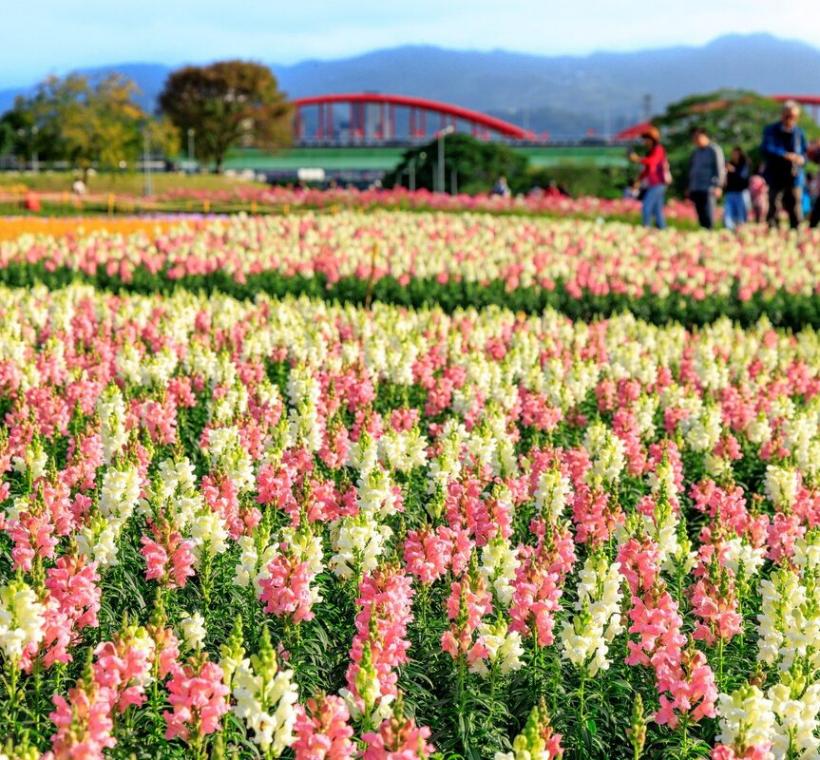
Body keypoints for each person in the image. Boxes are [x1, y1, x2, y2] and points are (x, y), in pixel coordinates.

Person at [761, 100, 808, 229]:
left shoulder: (799, 133)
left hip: (794, 175)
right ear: (782, 115)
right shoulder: (771, 130)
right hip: (776, 174)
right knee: (774, 203)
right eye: (788, 116)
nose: (791, 119)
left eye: (794, 117)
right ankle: (773, 230)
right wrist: (784, 155)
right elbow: (766, 148)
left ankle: (796, 230)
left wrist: (801, 159)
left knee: (795, 204)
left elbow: (805, 153)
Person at [628, 126, 668, 229]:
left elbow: (652, 162)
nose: (644, 142)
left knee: (647, 206)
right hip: (652, 183)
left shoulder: (658, 149)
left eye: (646, 139)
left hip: (658, 183)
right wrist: (638, 180)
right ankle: (662, 229)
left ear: (652, 140)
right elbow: (646, 170)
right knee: (657, 210)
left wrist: (638, 159)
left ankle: (646, 227)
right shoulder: (650, 152)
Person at [687, 127, 725, 229]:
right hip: (696, 187)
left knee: (708, 213)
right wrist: (689, 187)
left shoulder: (714, 150)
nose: (696, 140)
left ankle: (710, 232)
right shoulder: (696, 152)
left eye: (698, 137)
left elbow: (720, 168)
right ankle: (703, 231)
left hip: (709, 187)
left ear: (705, 136)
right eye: (694, 138)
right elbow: (692, 170)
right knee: (700, 214)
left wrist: (719, 186)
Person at [724, 146, 750, 230]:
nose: (734, 155)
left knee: (741, 213)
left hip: (741, 192)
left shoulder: (744, 164)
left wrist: (733, 170)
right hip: (730, 191)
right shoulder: (729, 163)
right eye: (733, 153)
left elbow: (743, 177)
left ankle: (741, 229)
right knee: (729, 213)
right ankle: (730, 229)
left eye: (736, 153)